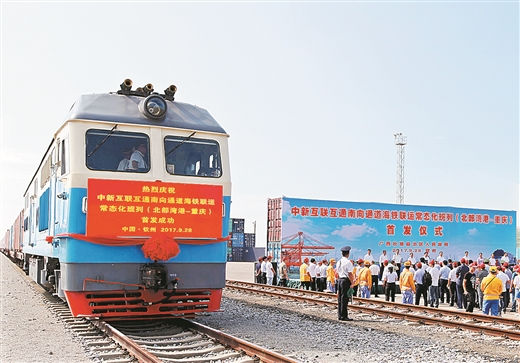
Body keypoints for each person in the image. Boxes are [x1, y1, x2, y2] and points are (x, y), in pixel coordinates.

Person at [336, 246, 355, 321]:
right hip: (345, 280)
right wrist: (352, 282)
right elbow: (350, 273)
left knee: (340, 298)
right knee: (345, 298)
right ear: (348, 254)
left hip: (340, 280)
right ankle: (344, 315)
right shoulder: (348, 262)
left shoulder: (339, 262)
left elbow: (337, 272)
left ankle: (340, 315)